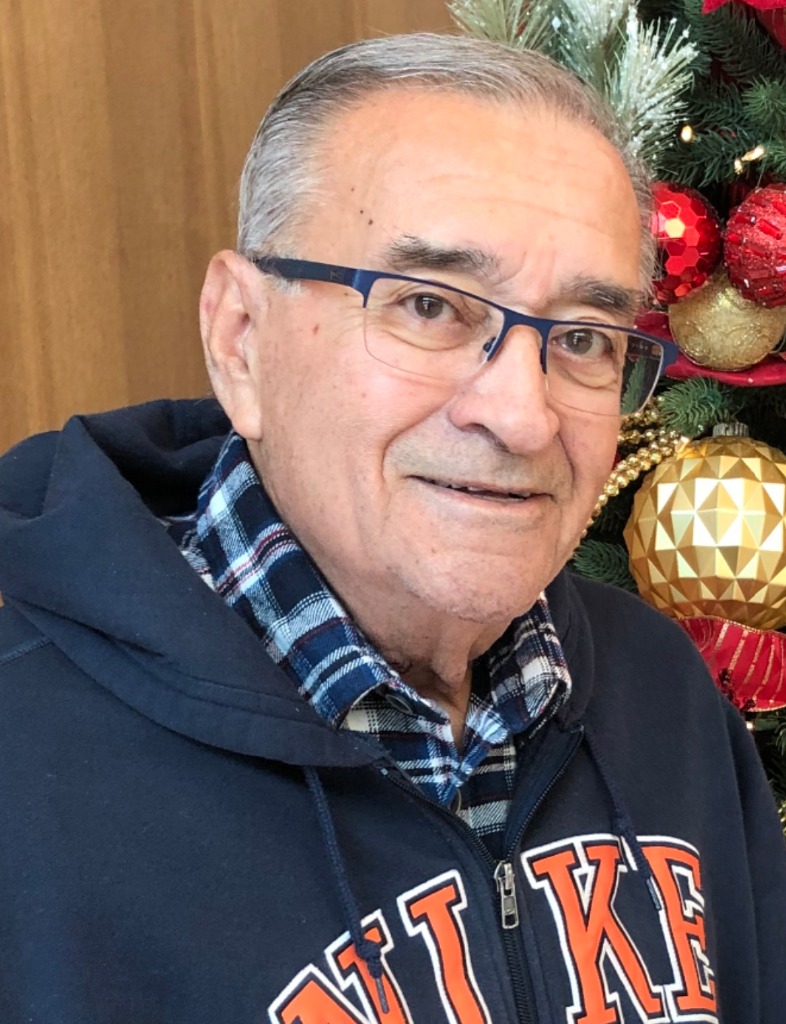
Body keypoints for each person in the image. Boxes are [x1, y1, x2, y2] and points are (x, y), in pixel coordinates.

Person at [0, 31, 783, 1024]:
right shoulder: (22, 777)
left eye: (584, 337)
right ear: (240, 339)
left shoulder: (661, 692)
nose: (523, 416)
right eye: (428, 307)